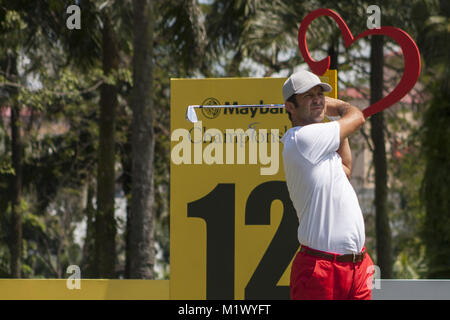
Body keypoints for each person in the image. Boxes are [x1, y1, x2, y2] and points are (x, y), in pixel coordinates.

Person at [280, 70, 374, 300]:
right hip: (320, 269)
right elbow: (356, 117)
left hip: (358, 266)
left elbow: (346, 169)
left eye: (320, 94)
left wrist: (330, 116)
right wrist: (339, 107)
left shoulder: (319, 147)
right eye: (308, 96)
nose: (317, 99)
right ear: (290, 107)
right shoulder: (301, 139)